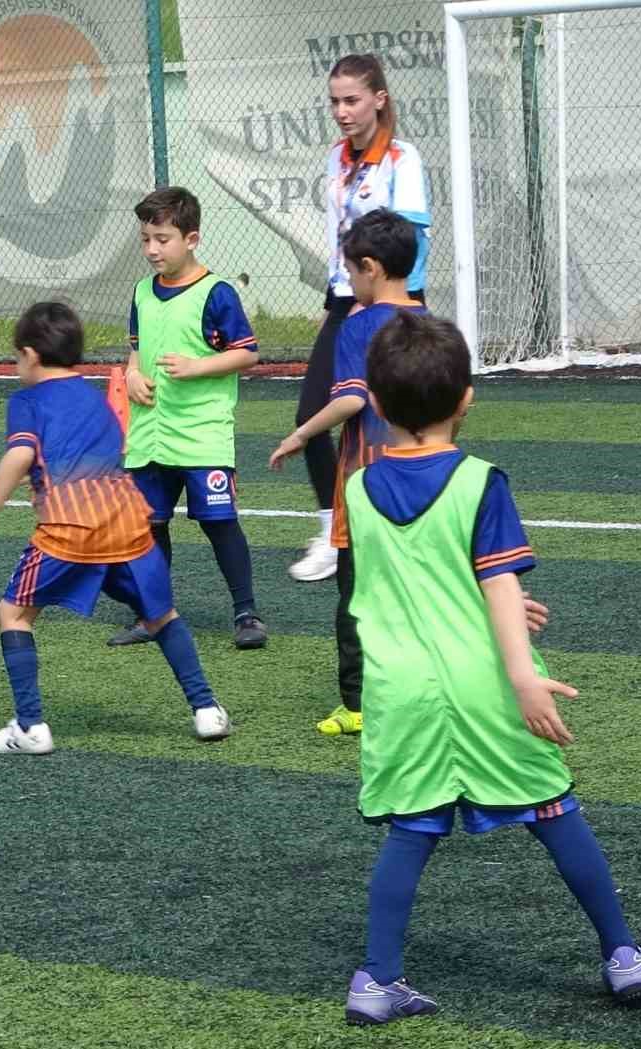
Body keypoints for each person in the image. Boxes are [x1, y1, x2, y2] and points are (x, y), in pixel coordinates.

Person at [340, 311, 641, 1025]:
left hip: (401, 694)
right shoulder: (481, 482)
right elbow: (494, 581)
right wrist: (520, 670)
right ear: (467, 398)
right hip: (487, 687)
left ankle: (376, 977)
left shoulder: (357, 490)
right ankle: (623, 952)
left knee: (411, 830)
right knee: (555, 811)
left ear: (377, 404)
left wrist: (496, 603)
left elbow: (412, 581)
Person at [0, 302, 231, 754]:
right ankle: (207, 710)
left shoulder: (27, 401)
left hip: (68, 528)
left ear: (30, 355)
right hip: (128, 524)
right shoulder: (94, 396)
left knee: (11, 614)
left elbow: (20, 455)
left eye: (18, 357)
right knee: (161, 616)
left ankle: (30, 727)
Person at [270, 209, 425, 736]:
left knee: (359, 596)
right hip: (429, 479)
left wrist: (301, 434)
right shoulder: (433, 326)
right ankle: (425, 692)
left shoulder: (357, 325)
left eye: (351, 273)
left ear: (370, 268)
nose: (350, 284)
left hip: (370, 483)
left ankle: (358, 704)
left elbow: (351, 399)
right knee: (418, 590)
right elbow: (461, 397)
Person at [290, 53, 430, 584]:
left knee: (400, 421)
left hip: (394, 304)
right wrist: (337, 296)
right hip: (344, 302)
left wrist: (394, 307)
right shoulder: (334, 157)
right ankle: (333, 529)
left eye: (352, 100)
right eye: (335, 101)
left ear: (379, 98)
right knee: (314, 414)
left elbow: (413, 240)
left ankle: (409, 525)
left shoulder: (403, 158)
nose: (342, 111)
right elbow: (336, 236)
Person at [115, 186, 266, 651]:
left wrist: (199, 366)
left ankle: (247, 613)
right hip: (149, 434)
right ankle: (154, 614)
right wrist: (132, 374)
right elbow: (136, 349)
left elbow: (248, 354)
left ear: (192, 238)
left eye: (162, 239)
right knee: (149, 525)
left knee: (219, 523)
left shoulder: (215, 292)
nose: (152, 250)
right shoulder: (142, 292)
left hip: (201, 435)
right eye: (146, 239)